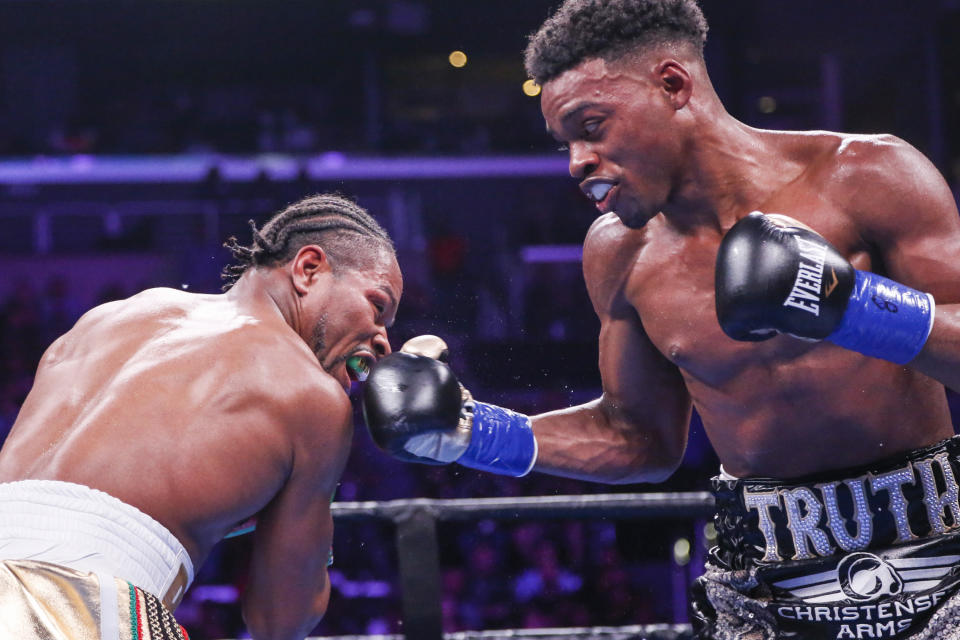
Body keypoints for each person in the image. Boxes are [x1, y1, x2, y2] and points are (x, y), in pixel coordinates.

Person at [361, 1, 960, 638]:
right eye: (566, 142)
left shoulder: (866, 175)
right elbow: (641, 440)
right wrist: (475, 434)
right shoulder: (620, 252)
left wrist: (852, 307)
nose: (577, 162)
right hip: (761, 579)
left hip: (939, 552)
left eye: (592, 126)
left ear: (673, 86)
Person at [0, 193, 402, 640]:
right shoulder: (313, 395)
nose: (384, 340)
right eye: (378, 306)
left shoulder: (105, 320)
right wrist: (315, 498)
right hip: (80, 608)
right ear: (309, 269)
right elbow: (280, 620)